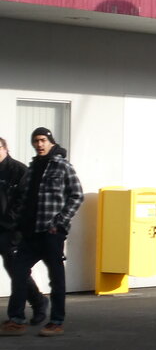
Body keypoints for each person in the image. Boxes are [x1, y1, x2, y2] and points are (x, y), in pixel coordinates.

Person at [0, 128, 83, 337]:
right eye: (36, 141)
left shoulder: (62, 166)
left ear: (51, 142)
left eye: (43, 140)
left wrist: (60, 221)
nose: (39, 144)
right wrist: (20, 223)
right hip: (30, 232)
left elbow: (76, 195)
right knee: (18, 273)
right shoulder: (32, 168)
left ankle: (56, 321)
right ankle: (16, 319)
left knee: (56, 278)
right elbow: (24, 198)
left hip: (51, 232)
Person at [0, 137, 46, 323]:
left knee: (15, 268)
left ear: (4, 148)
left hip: (12, 229)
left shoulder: (18, 171)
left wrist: (10, 223)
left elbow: (24, 203)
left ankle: (38, 302)